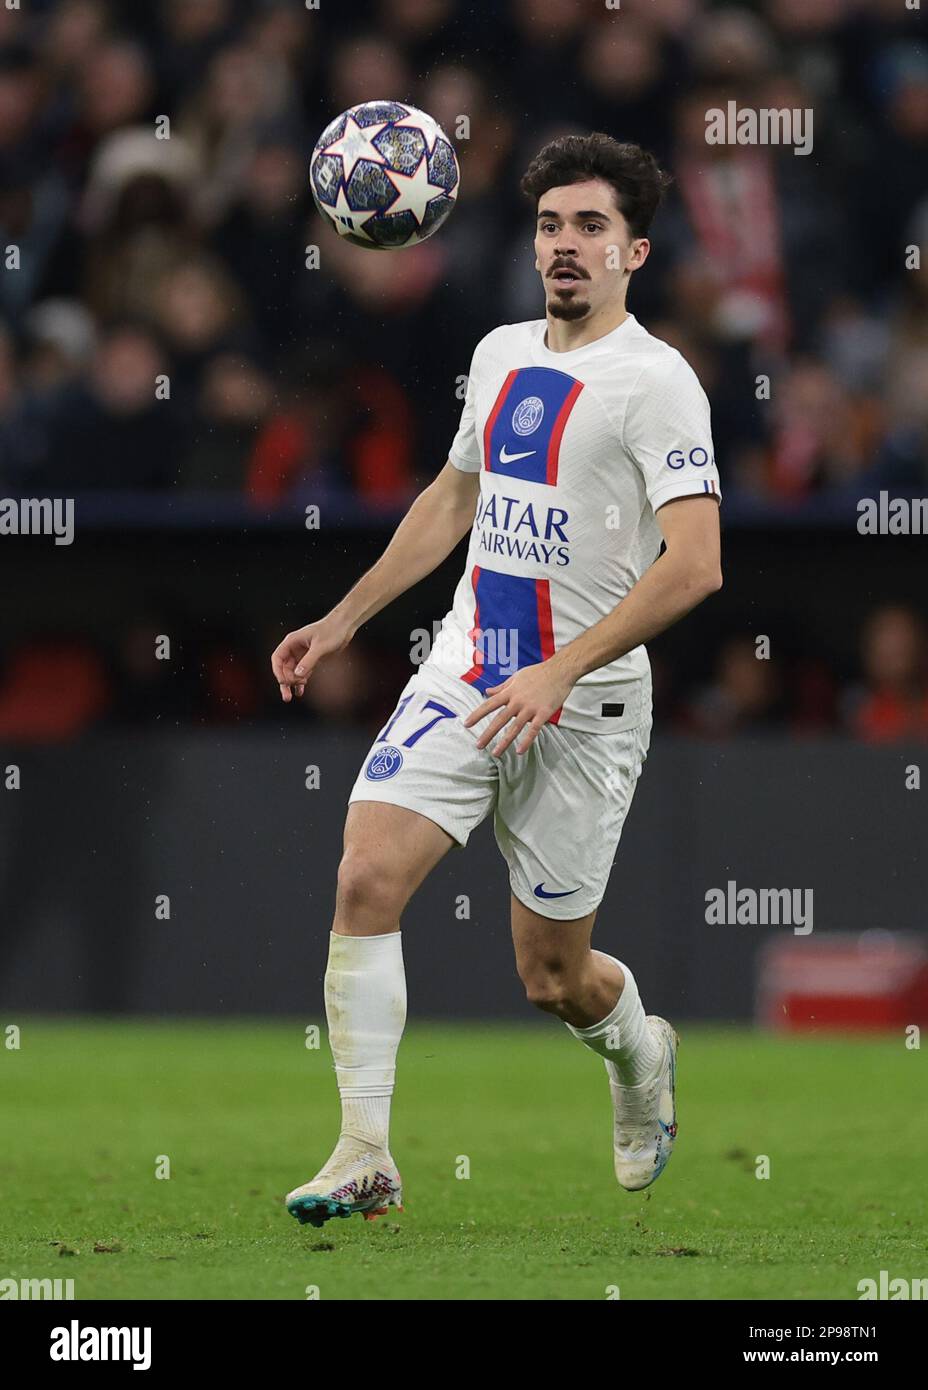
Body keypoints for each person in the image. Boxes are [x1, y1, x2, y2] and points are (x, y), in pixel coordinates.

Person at [271, 133, 723, 1227]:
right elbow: (448, 500)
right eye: (550, 226)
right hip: (468, 670)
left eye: (590, 229)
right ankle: (365, 1152)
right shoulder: (501, 351)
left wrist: (562, 671)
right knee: (365, 877)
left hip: (586, 708)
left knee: (552, 981)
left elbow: (698, 566)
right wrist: (342, 619)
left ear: (635, 252)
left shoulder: (658, 384)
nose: (565, 247)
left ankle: (637, 1056)